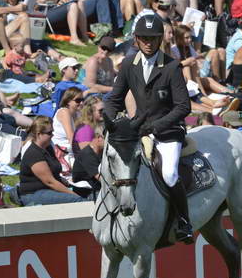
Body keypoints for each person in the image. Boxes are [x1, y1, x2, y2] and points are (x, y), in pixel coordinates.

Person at [104, 15, 193, 243]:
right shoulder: (128, 64)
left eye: (153, 38)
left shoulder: (171, 66)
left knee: (169, 173)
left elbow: (183, 106)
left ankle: (184, 222)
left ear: (160, 39)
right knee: (117, 165)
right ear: (136, 39)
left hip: (168, 131)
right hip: (138, 130)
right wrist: (113, 120)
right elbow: (114, 99)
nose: (148, 42)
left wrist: (156, 126)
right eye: (144, 38)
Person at [19, 116, 87, 205]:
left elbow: (55, 175)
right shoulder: (33, 153)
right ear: (39, 134)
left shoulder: (48, 148)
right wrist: (73, 194)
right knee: (78, 201)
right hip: (34, 194)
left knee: (89, 194)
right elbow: (50, 182)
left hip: (49, 189)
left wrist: (69, 183)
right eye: (49, 133)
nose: (52, 135)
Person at [52, 87, 84, 174]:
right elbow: (72, 139)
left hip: (71, 152)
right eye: (78, 100)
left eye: (82, 99)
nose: (81, 103)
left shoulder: (77, 113)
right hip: (63, 153)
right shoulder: (64, 112)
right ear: (68, 101)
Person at [72, 123, 104, 192]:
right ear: (99, 137)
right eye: (107, 138)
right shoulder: (87, 154)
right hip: (86, 193)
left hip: (97, 189)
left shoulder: (102, 152)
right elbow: (100, 178)